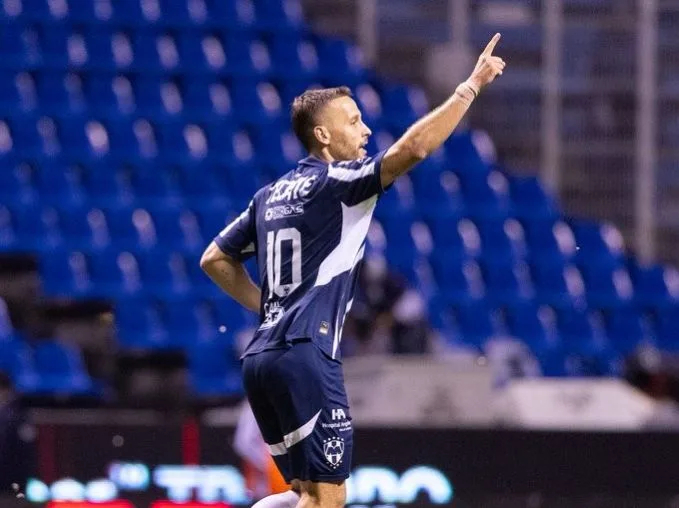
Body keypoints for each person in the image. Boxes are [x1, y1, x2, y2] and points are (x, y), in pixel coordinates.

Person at [200, 34, 505, 508]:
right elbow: (413, 150)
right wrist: (470, 87)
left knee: (302, 494)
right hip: (306, 355)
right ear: (323, 136)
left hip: (262, 359)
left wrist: (269, 307)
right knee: (328, 499)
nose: (366, 131)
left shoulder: (270, 195)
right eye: (354, 121)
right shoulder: (339, 182)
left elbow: (215, 259)